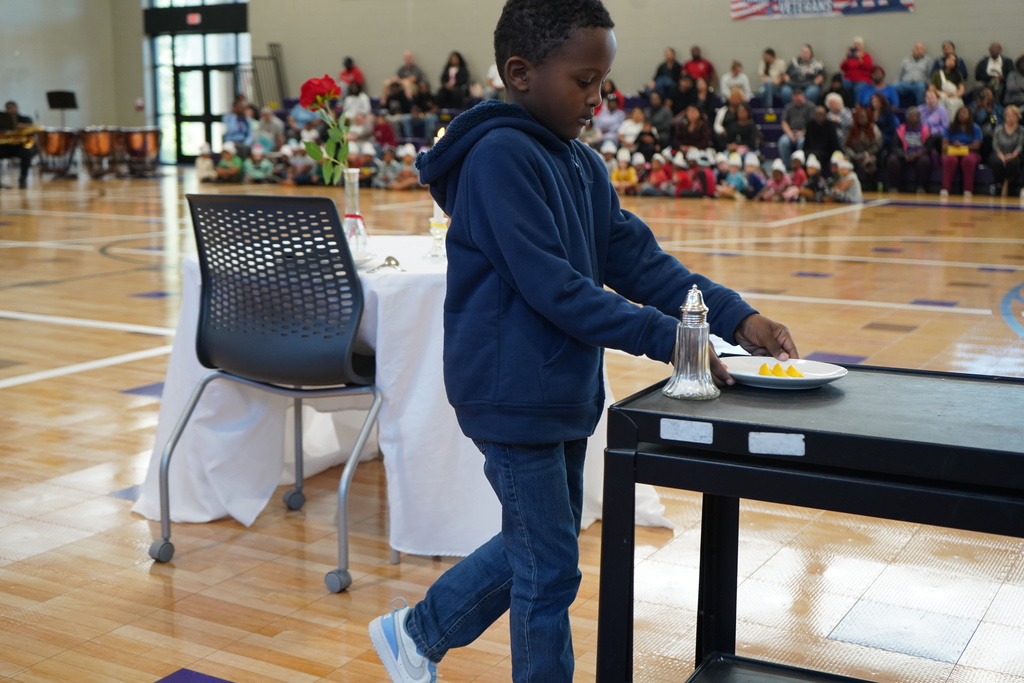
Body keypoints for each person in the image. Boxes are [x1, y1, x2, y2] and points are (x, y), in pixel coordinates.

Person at [368, 3, 798, 683]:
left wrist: (736, 318)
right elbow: (556, 289)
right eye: (585, 80)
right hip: (509, 393)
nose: (599, 100)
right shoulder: (498, 159)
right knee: (550, 572)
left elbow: (645, 264)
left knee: (541, 546)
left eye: (604, 82)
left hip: (563, 390)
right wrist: (673, 340)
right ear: (521, 72)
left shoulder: (582, 166)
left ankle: (416, 631)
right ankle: (420, 633)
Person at [887, 106, 932, 193]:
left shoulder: (925, 130)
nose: (914, 117)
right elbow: (895, 146)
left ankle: (920, 187)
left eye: (916, 115)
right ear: (907, 117)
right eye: (912, 115)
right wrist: (904, 155)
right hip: (904, 154)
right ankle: (895, 187)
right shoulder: (900, 129)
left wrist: (918, 153)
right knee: (893, 160)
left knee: (925, 160)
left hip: (918, 155)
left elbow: (928, 147)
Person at [940, 105, 982, 198]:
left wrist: (963, 146)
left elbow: (976, 145)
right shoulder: (950, 127)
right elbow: (944, 144)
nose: (962, 115)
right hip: (953, 150)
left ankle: (968, 189)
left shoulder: (976, 128)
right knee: (950, 160)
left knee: (968, 160)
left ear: (970, 115)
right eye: (960, 113)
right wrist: (952, 146)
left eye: (965, 113)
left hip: (969, 151)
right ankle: (945, 188)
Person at [844, 106, 883, 190]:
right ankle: (847, 185)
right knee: (845, 161)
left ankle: (868, 186)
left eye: (863, 117)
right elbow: (845, 145)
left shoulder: (874, 129)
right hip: (853, 154)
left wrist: (867, 154)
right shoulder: (851, 129)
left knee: (870, 162)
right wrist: (853, 154)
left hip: (869, 153)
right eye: (860, 117)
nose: (862, 118)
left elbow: (878, 145)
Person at [989, 105, 1023, 198]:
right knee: (997, 162)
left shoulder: (1021, 130)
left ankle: (1008, 183)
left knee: (1013, 163)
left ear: (1018, 117)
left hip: (1014, 154)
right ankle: (998, 185)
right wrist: (1001, 156)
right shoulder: (998, 128)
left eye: (1013, 115)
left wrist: (1013, 155)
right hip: (999, 153)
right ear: (1004, 116)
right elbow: (995, 145)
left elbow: (1020, 145)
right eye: (1008, 115)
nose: (1010, 118)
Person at [0, 101, 35, 188]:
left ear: (16, 108)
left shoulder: (25, 119)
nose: (9, 110)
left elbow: (31, 132)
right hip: (6, 146)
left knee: (26, 152)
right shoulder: (3, 119)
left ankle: (23, 178)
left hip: (19, 147)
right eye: (7, 108)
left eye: (11, 108)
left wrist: (21, 127)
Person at [778, 87, 816, 166]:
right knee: (783, 142)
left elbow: (812, 124)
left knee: (802, 142)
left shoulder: (811, 107)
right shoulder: (789, 107)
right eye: (795, 100)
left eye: (799, 100)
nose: (797, 102)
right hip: (791, 132)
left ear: (803, 96)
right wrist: (790, 134)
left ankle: (801, 165)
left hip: (805, 133)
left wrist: (802, 133)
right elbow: (784, 122)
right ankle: (787, 166)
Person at [931, 52, 966, 121]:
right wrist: (943, 94)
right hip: (941, 97)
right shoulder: (937, 74)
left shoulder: (958, 74)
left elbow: (961, 89)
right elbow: (932, 88)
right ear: (945, 60)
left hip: (954, 97)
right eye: (950, 59)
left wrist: (954, 95)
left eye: (954, 61)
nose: (951, 62)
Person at [804, 105, 840, 171]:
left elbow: (835, 143)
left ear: (825, 114)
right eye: (818, 114)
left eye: (821, 114)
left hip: (826, 152)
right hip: (812, 151)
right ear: (814, 115)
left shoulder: (830, 125)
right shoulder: (810, 125)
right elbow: (806, 142)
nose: (819, 116)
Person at [972, 87, 1004, 160]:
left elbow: (996, 122)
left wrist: (990, 112)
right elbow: (977, 120)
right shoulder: (975, 106)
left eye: (989, 94)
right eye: (985, 94)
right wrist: (980, 107)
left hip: (995, 134)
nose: (987, 97)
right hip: (980, 133)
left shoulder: (998, 109)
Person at [222, 94, 255, 159]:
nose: (242, 109)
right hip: (231, 141)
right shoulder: (228, 117)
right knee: (230, 149)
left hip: (243, 142)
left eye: (243, 107)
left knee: (246, 148)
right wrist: (234, 114)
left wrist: (246, 143)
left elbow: (250, 134)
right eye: (240, 107)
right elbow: (230, 130)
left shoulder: (247, 120)